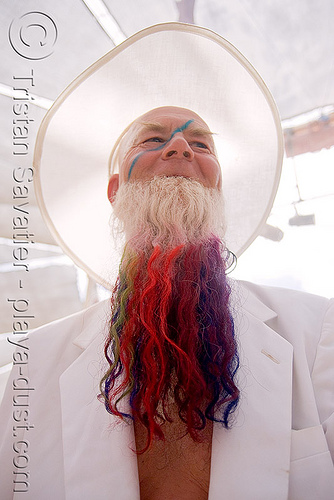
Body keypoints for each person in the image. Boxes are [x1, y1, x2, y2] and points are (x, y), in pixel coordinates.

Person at [1, 23, 333, 500]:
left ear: (216, 188)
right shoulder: (36, 364)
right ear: (116, 193)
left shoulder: (316, 331)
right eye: (152, 140)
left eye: (201, 144)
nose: (180, 147)